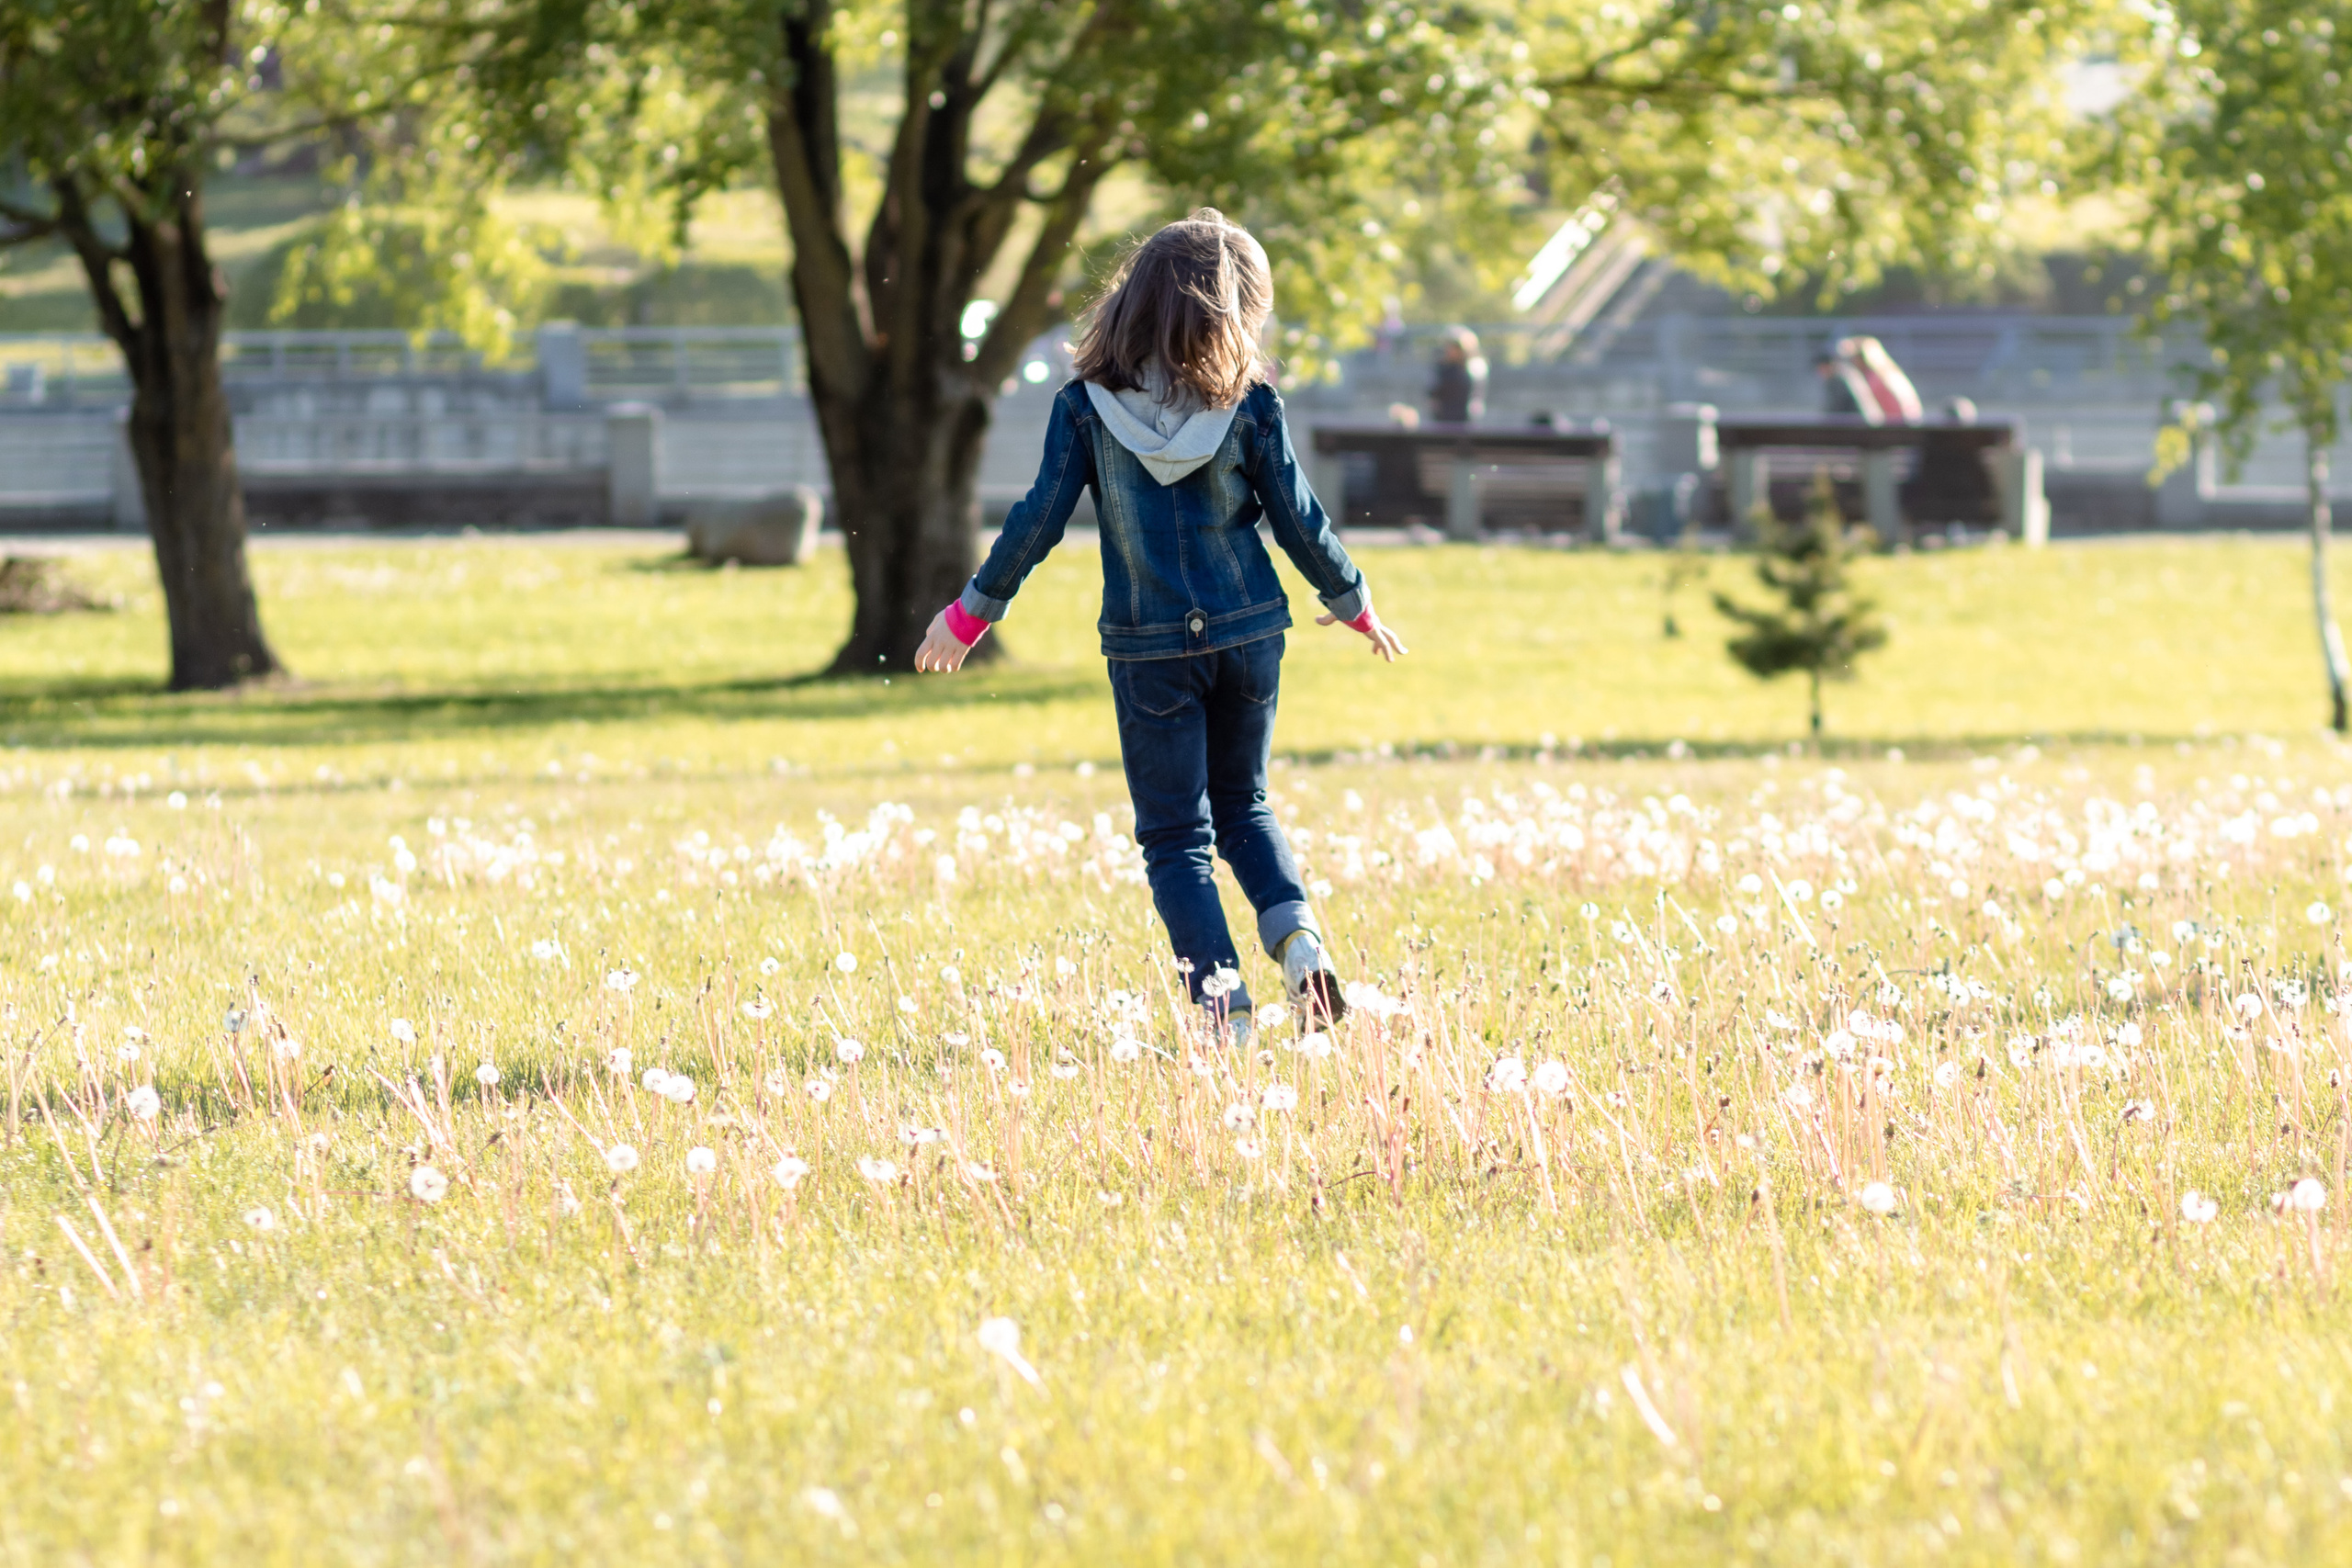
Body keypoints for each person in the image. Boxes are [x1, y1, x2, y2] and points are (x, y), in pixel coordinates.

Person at [913, 209, 1408, 1043]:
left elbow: (1036, 520)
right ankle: (1299, 943)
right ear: (1233, 310)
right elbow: (1299, 516)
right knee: (1244, 807)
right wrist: (1351, 599)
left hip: (1149, 649)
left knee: (1177, 833)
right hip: (1250, 632)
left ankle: (1225, 1012)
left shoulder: (1083, 407)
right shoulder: (1251, 404)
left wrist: (970, 614)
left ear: (1132, 302)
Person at [1428, 325, 1487, 423]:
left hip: (1464, 421)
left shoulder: (1474, 367)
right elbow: (1433, 393)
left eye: (1455, 347)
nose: (1450, 350)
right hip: (1443, 421)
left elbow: (1476, 396)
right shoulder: (1442, 368)